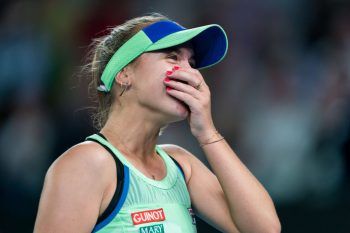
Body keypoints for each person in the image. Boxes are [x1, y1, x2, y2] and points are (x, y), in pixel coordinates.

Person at [34, 13, 281, 233]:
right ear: (124, 74)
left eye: (192, 64)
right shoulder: (86, 164)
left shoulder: (182, 166)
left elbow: (265, 228)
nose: (192, 74)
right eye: (172, 57)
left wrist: (207, 132)